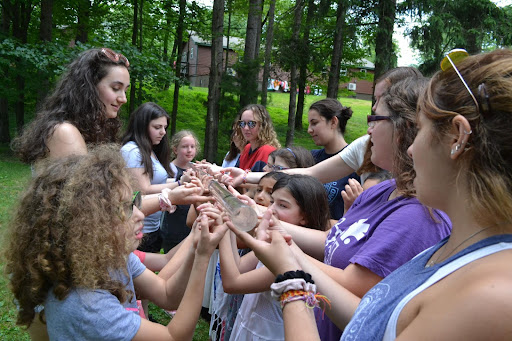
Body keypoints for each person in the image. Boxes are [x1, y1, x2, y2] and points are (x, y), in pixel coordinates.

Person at [231, 48, 512, 341]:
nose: (413, 149)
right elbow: (369, 318)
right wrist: (277, 234)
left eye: (423, 129)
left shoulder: (488, 296)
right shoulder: (454, 249)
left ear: (457, 137)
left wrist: (292, 277)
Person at [4, 144, 228, 340]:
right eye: (123, 208)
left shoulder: (111, 257)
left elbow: (167, 294)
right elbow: (175, 337)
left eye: (133, 202)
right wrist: (202, 257)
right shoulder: (86, 305)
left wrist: (197, 242)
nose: (140, 214)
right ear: (85, 225)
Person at [222, 67, 423, 189]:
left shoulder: (423, 165)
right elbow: (310, 173)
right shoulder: (364, 146)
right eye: (375, 98)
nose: (374, 106)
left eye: (381, 99)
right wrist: (247, 176)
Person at [214, 174, 331, 340]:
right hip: (248, 329)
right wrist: (232, 223)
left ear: (305, 217)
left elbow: (232, 283)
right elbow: (238, 267)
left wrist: (224, 225)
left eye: (282, 205)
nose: (270, 209)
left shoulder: (290, 258)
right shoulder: (274, 242)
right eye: (273, 201)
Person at [12, 48, 130, 163]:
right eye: (116, 88)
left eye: (125, 90)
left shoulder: (94, 129)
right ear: (89, 88)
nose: (123, 99)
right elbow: (85, 183)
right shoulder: (65, 132)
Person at [121, 103, 189, 253]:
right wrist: (179, 184)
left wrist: (184, 180)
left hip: (152, 227)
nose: (163, 132)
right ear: (142, 126)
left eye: (164, 128)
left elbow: (158, 183)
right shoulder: (133, 151)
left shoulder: (149, 150)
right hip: (139, 229)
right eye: (157, 127)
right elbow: (143, 190)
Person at [306, 98, 360, 219]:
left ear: (333, 122)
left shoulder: (355, 163)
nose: (309, 130)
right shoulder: (311, 158)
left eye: (314, 123)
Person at [160, 130, 201, 253]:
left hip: (188, 222)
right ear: (175, 150)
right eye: (184, 147)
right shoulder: (169, 169)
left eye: (192, 147)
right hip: (172, 224)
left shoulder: (196, 167)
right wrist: (181, 180)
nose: (189, 150)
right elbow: (164, 189)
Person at [234, 104, 281, 171]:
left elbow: (263, 180)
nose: (246, 128)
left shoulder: (267, 151)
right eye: (242, 123)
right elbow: (233, 175)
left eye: (251, 123)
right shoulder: (247, 148)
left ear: (262, 125)